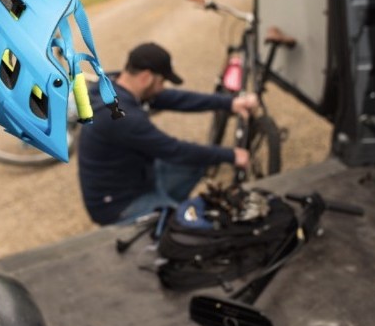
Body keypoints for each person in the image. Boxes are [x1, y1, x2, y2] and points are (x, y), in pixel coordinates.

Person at [78, 42, 257, 225]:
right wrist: (232, 155)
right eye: (161, 82)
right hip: (118, 203)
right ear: (146, 77)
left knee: (197, 161)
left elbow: (177, 99)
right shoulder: (120, 116)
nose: (162, 88)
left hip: (137, 176)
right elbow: (173, 150)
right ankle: (163, 215)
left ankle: (165, 206)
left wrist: (229, 103)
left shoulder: (115, 85)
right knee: (186, 228)